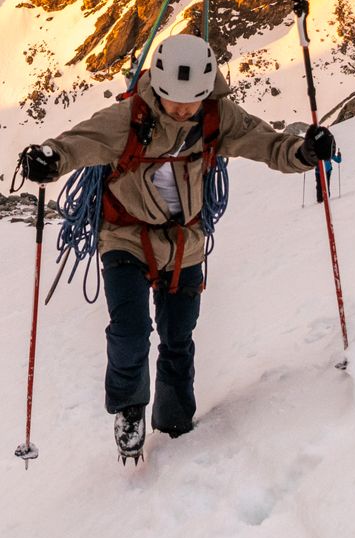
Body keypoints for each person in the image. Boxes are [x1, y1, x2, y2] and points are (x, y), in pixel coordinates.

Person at [18, 32, 338, 460]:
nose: (184, 109)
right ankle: (130, 408)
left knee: (177, 336)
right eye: (174, 100)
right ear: (159, 88)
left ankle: (175, 427)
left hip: (185, 242)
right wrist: (50, 160)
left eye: (193, 100)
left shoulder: (215, 116)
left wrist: (304, 152)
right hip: (125, 238)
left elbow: (267, 143)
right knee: (130, 332)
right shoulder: (128, 117)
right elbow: (79, 143)